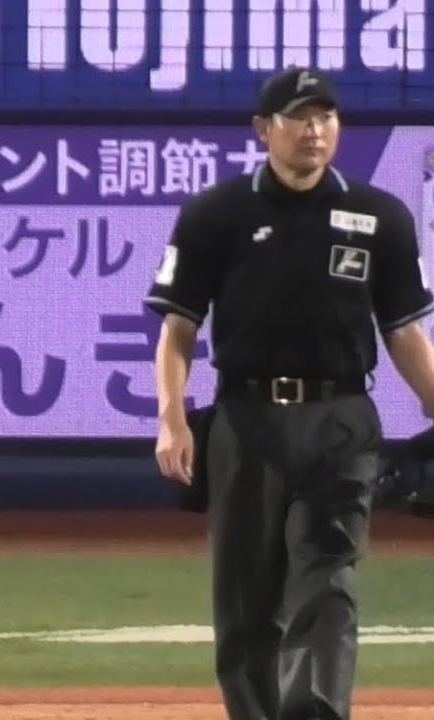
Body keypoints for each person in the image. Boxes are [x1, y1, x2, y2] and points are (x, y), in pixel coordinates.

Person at [147, 66, 434, 720]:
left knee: (329, 578)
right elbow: (178, 329)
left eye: (325, 116)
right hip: (247, 421)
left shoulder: (380, 216)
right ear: (263, 129)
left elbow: (404, 333)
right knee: (246, 596)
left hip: (341, 421)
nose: (314, 130)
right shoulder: (215, 213)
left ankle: (315, 713)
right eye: (298, 117)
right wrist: (172, 418)